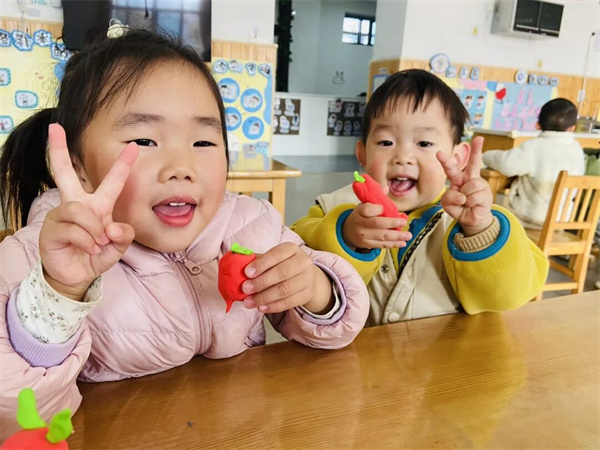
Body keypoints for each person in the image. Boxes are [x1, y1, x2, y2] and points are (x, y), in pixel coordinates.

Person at [0, 29, 369, 421]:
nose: (182, 167)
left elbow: (337, 330)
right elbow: (19, 414)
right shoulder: (40, 258)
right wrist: (58, 295)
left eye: (203, 143)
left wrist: (314, 289)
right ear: (79, 169)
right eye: (144, 141)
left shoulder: (251, 223)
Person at [291, 69, 548, 326]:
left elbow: (510, 296)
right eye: (386, 142)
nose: (403, 156)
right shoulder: (334, 206)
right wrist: (345, 235)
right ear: (363, 154)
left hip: (444, 350)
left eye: (424, 143)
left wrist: (480, 231)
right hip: (357, 350)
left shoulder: (480, 220)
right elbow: (299, 252)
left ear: (457, 158)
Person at [482, 98, 585, 228]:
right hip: (563, 220)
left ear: (538, 124)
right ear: (572, 128)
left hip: (531, 218)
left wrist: (485, 155)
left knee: (497, 216)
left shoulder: (534, 147)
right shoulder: (577, 149)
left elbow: (506, 164)